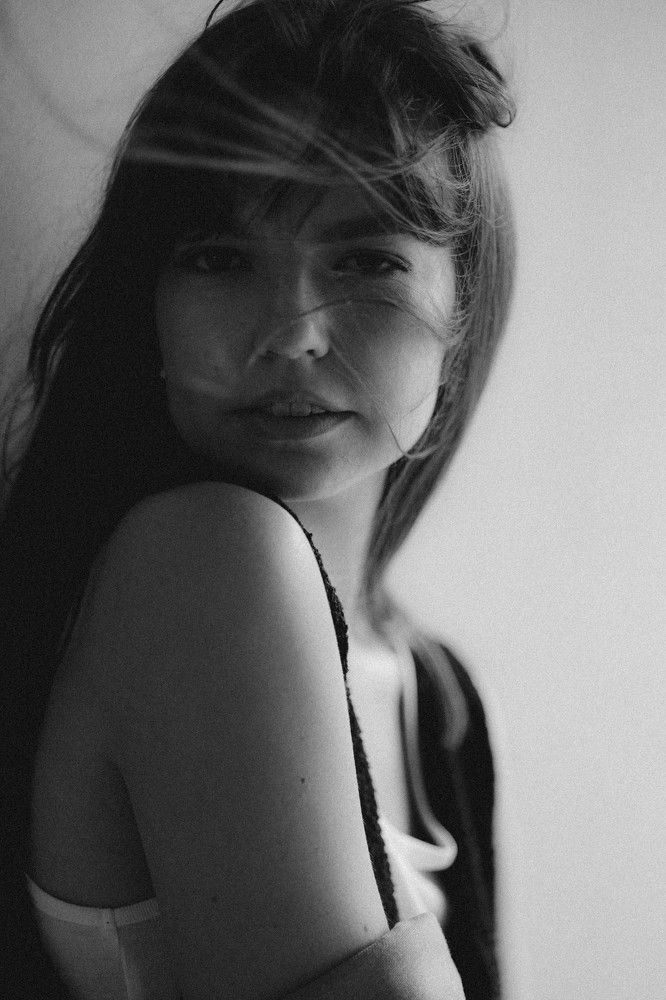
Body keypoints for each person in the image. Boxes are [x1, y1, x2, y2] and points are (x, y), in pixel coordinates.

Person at [0, 0, 515, 997]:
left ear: (463, 304)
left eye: (366, 259)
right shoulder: (202, 559)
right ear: (148, 301)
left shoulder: (442, 695)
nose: (292, 332)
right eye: (219, 257)